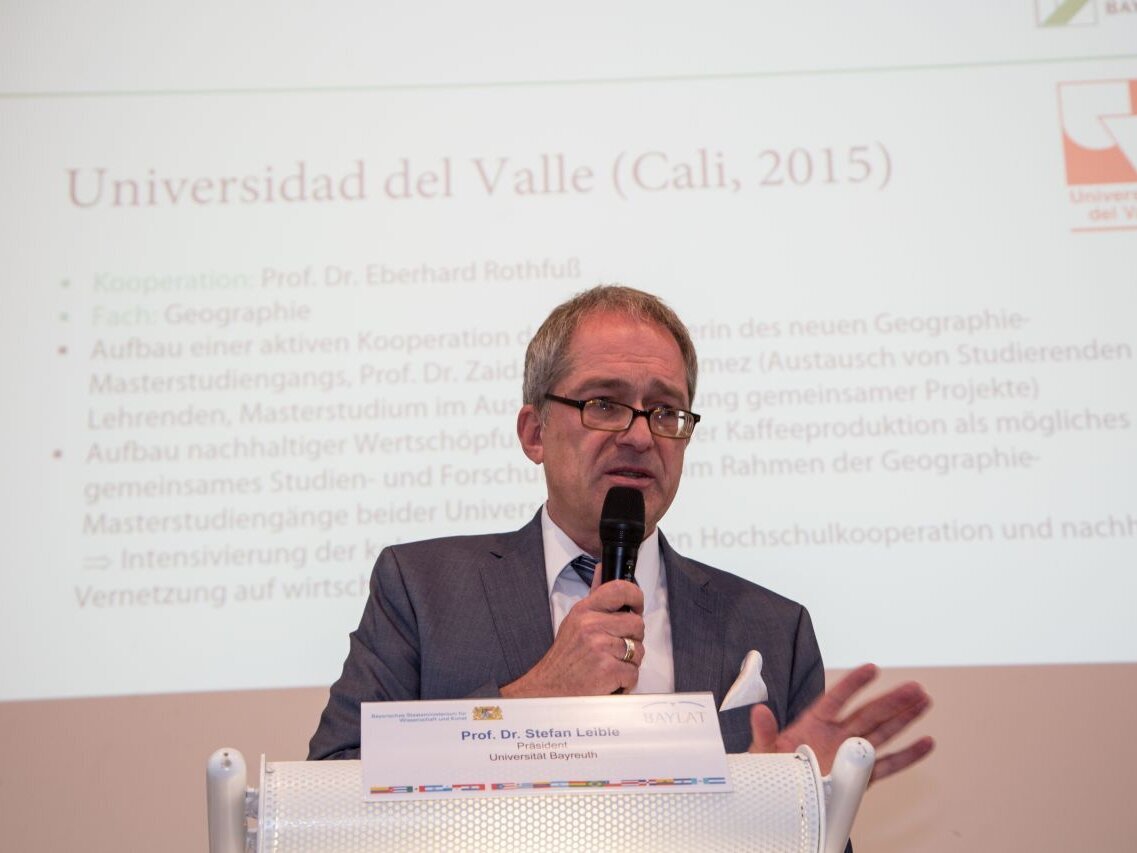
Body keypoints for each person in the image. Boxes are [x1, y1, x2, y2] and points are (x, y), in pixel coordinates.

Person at [309, 285, 934, 783]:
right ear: (534, 433)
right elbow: (331, 787)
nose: (639, 435)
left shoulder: (775, 628)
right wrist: (533, 699)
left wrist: (793, 803)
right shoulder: (422, 591)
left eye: (665, 411)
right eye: (604, 404)